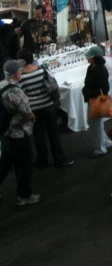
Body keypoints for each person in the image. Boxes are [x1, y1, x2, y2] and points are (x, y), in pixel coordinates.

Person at [17, 49, 72, 169]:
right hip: (48, 106)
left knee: (38, 135)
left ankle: (42, 161)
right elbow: (53, 86)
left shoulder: (20, 77)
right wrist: (57, 100)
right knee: (54, 134)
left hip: (33, 110)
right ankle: (59, 159)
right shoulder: (42, 70)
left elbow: (21, 95)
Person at [0, 59, 40, 206]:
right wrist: (33, 118)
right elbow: (26, 113)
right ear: (15, 73)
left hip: (4, 132)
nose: (21, 71)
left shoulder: (1, 85)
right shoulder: (15, 91)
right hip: (18, 133)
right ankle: (24, 195)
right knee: (23, 165)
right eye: (19, 69)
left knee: (5, 163)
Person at [82, 45, 112, 157]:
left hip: (96, 99)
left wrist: (89, 92)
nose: (87, 58)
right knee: (94, 123)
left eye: (89, 57)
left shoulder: (99, 70)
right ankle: (105, 143)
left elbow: (105, 88)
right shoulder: (92, 67)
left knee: (96, 124)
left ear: (94, 57)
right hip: (93, 98)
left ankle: (100, 148)